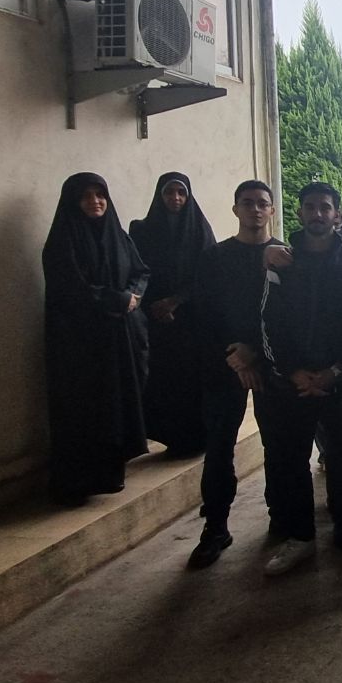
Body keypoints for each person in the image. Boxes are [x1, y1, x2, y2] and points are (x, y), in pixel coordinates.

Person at [259, 183, 342, 576]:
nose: (318, 214)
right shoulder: (281, 261)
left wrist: (337, 371)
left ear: (338, 214)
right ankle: (300, 538)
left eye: (325, 207)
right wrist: (292, 371)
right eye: (310, 207)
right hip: (293, 381)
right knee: (291, 460)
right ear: (300, 212)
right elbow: (269, 321)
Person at [187, 180, 282, 569]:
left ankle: (281, 517)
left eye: (262, 203)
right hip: (224, 362)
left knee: (278, 444)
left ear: (272, 210)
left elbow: (289, 315)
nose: (255, 209)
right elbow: (204, 313)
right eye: (247, 203)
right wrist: (236, 356)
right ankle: (216, 527)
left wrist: (255, 353)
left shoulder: (283, 256)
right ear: (235, 209)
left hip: (271, 362)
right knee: (219, 446)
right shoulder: (215, 257)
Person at [43, 173, 150, 507]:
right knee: (88, 410)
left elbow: (140, 271)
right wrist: (116, 300)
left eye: (100, 194)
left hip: (119, 338)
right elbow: (71, 287)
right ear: (73, 202)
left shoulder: (117, 235)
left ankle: (111, 475)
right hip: (81, 344)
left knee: (117, 407)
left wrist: (133, 295)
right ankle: (79, 482)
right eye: (86, 196)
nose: (95, 202)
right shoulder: (63, 242)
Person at [129, 172, 216, 455]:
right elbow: (137, 271)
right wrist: (155, 304)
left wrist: (176, 301)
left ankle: (196, 439)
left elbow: (207, 274)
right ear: (160, 195)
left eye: (181, 192)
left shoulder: (199, 230)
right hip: (156, 319)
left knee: (191, 379)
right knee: (164, 380)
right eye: (169, 192)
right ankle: (171, 438)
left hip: (190, 319)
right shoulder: (142, 230)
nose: (175, 198)